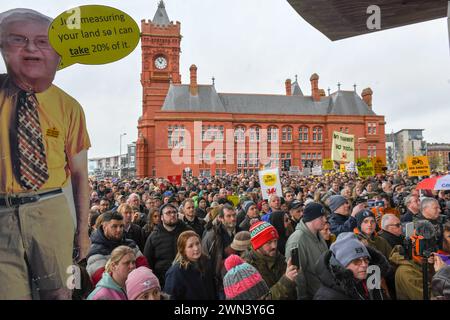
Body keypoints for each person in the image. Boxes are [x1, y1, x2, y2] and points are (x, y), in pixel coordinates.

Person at [0, 8, 91, 300]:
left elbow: (80, 176)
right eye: (17, 39)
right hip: (2, 215)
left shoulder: (69, 107)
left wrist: (83, 231)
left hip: (52, 211)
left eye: (42, 41)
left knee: (61, 294)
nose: (30, 49)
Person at [314, 233, 390, 300]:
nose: (364, 265)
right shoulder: (326, 297)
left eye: (366, 259)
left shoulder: (370, 281)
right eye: (356, 261)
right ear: (341, 264)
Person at [86, 211, 148, 286]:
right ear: (104, 227)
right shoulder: (95, 251)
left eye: (121, 226)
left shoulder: (131, 245)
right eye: (114, 226)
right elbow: (102, 281)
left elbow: (145, 269)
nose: (119, 230)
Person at [243, 221, 298, 300]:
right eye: (269, 242)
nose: (274, 246)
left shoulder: (278, 257)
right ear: (258, 245)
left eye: (275, 241)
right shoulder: (248, 268)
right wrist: (287, 281)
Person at [285, 202, 328, 300]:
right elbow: (297, 276)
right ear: (311, 219)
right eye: (321, 217)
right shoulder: (297, 241)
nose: (325, 220)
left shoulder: (317, 234)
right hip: (314, 295)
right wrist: (303, 297)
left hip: (325, 291)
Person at [143, 203, 190, 287]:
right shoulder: (154, 236)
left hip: (187, 277)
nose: (172, 215)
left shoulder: (187, 231)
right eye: (168, 213)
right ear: (161, 217)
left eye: (174, 212)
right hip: (164, 281)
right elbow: (148, 261)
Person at [164, 231, 215, 300]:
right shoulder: (176, 272)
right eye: (190, 246)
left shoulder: (207, 262)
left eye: (197, 243)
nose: (196, 248)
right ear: (183, 250)